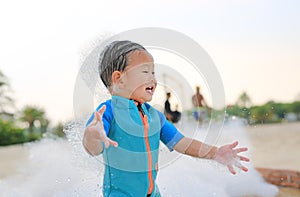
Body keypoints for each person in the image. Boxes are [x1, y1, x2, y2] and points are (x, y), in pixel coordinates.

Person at [82, 40, 249, 197]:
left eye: (153, 72)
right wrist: (93, 136)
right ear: (119, 79)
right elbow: (93, 149)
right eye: (145, 71)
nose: (153, 79)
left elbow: (182, 143)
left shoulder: (155, 116)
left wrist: (215, 152)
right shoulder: (108, 112)